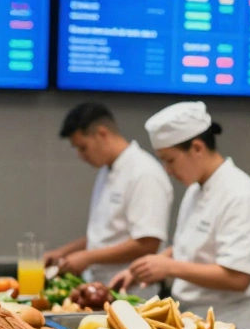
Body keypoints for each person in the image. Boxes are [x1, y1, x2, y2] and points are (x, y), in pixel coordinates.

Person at [109, 102, 250, 329]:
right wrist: (146, 266)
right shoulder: (197, 189)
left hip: (230, 324)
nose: (167, 169)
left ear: (197, 147)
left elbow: (238, 277)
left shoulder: (241, 195)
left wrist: (168, 267)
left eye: (170, 160)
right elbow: (188, 246)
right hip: (195, 319)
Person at [43, 102, 173, 298]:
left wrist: (87, 257)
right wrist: (63, 252)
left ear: (102, 134)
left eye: (83, 147)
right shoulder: (107, 170)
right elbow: (104, 233)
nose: (81, 156)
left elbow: (148, 242)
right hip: (100, 288)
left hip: (132, 292)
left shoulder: (144, 173)